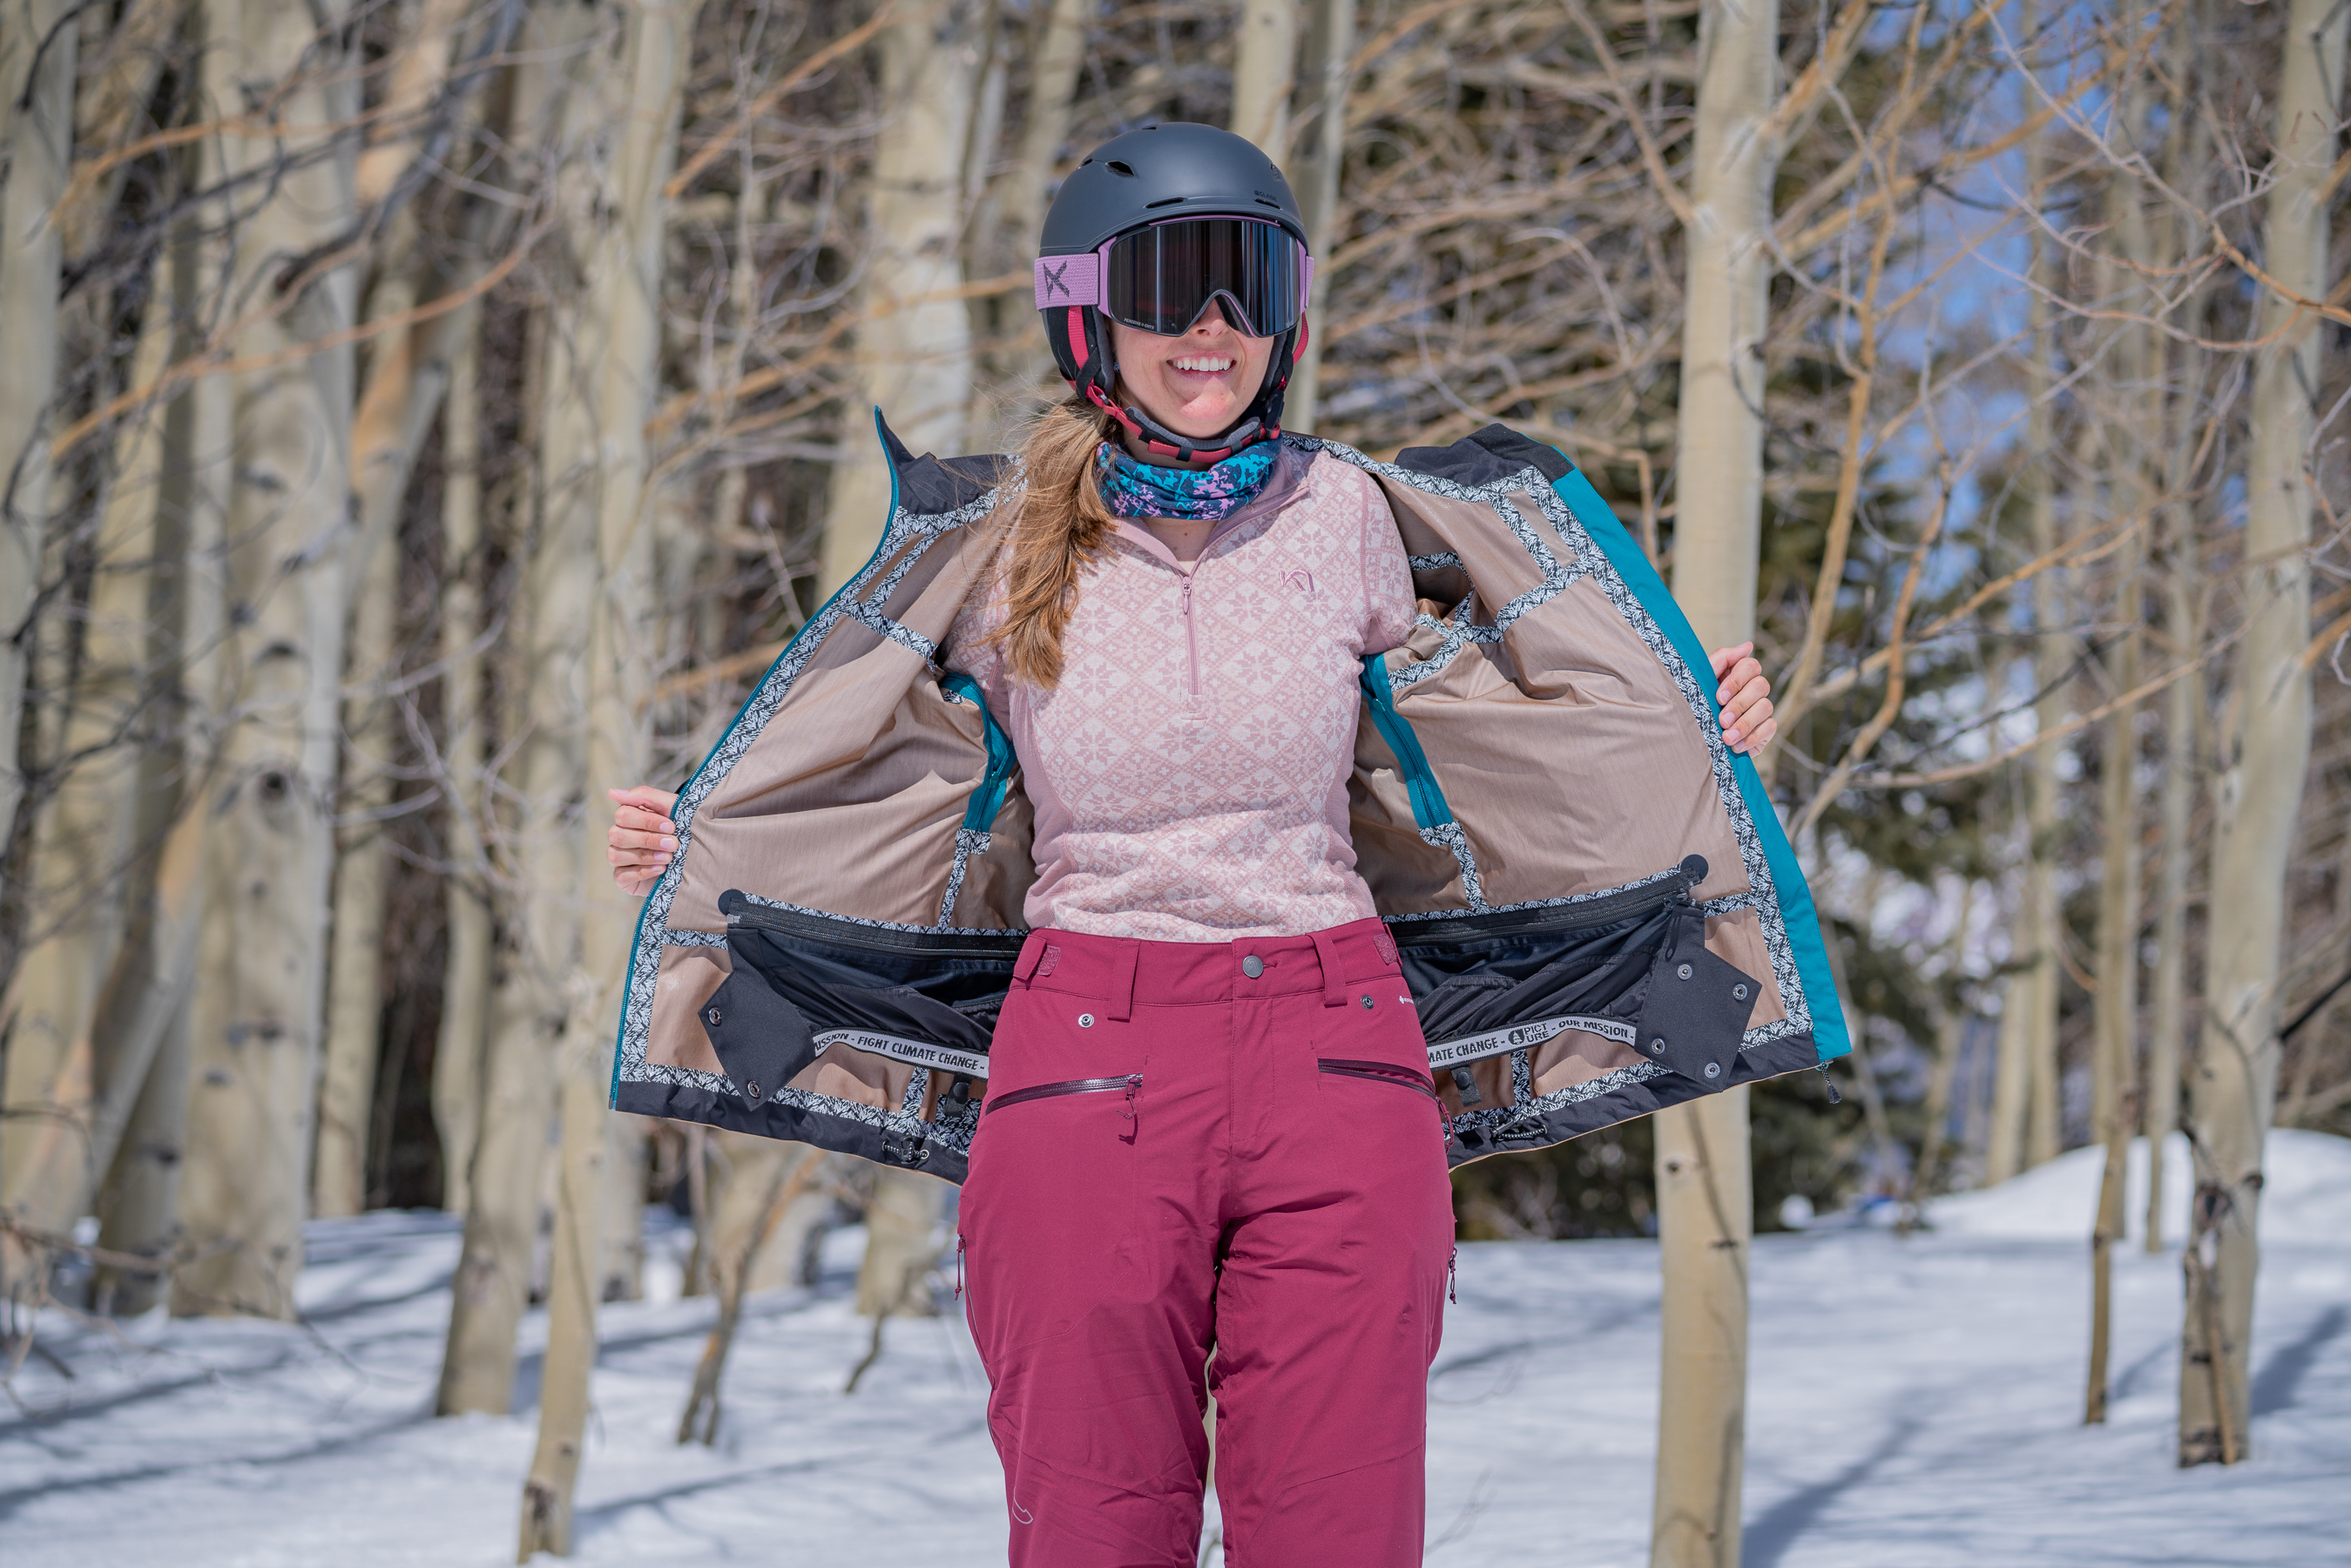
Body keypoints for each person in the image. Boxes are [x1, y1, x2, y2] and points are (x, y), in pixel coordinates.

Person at [605, 123, 1821, 1568]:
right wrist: (692, 841)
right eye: (1171, 280)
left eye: (1249, 282)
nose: (1212, 329)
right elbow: (857, 767)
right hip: (1083, 1056)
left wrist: (1700, 711)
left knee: (1340, 1536)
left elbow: (1528, 704)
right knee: (1093, 1533)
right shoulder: (993, 550)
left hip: (1343, 1055)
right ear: (1085, 313)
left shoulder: (1355, 517)